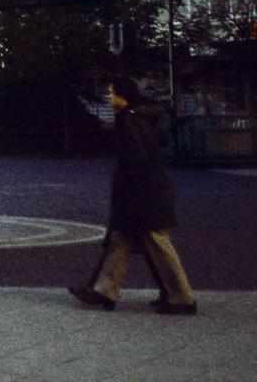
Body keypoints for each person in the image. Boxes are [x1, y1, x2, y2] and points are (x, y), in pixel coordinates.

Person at [69, 77, 197, 315]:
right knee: (121, 240)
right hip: (148, 193)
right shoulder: (138, 120)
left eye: (111, 92)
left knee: (158, 244)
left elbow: (135, 161)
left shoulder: (129, 123)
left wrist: (127, 194)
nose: (108, 97)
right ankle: (104, 290)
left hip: (143, 197)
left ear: (123, 96)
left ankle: (182, 297)